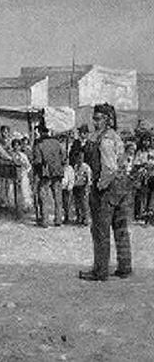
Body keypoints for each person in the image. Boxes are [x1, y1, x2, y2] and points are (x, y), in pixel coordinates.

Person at [79, 103, 132, 281]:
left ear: (108, 120)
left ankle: (100, 271)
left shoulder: (107, 139)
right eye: (94, 118)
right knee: (120, 228)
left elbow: (109, 167)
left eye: (98, 118)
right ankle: (125, 267)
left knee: (101, 230)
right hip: (121, 188)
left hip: (108, 188)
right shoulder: (112, 136)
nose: (95, 122)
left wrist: (100, 187)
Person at [32, 123, 65, 227]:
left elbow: (38, 161)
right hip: (57, 172)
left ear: (41, 132)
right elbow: (63, 157)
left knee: (43, 197)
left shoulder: (39, 144)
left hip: (45, 173)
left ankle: (45, 220)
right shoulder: (57, 142)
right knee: (57, 197)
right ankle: (58, 219)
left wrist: (33, 164)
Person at [11, 138, 32, 210]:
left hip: (23, 175)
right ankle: (15, 207)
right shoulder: (11, 154)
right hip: (13, 175)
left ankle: (26, 207)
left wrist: (24, 172)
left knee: (24, 191)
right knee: (12, 191)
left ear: (20, 146)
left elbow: (28, 166)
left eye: (17, 145)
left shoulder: (23, 155)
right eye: (14, 145)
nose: (16, 147)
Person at [73, 151, 92, 226]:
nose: (79, 160)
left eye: (81, 158)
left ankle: (86, 219)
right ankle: (79, 218)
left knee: (84, 204)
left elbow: (89, 178)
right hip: (76, 186)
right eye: (78, 158)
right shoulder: (75, 167)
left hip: (83, 186)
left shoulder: (86, 167)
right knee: (77, 203)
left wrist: (87, 188)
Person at [61, 158, 75, 224]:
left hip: (68, 188)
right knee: (63, 203)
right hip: (62, 188)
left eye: (66, 161)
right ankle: (64, 217)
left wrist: (70, 187)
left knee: (68, 203)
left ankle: (68, 217)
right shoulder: (61, 167)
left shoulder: (70, 169)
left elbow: (72, 178)